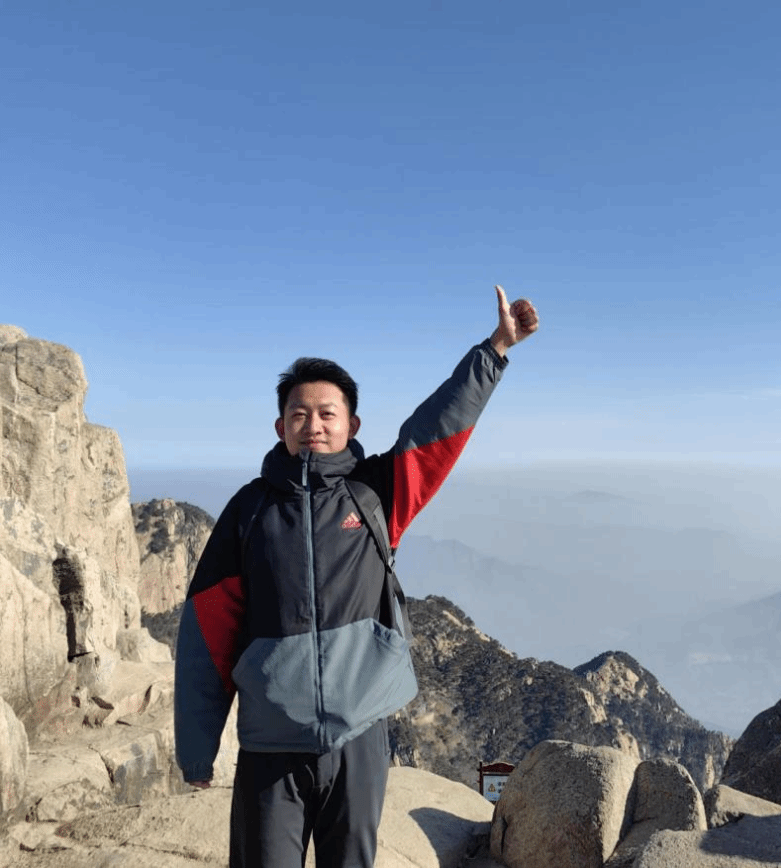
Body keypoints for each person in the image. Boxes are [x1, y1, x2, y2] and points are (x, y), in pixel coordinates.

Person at [174, 286, 539, 868]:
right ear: (280, 425)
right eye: (299, 414)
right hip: (270, 745)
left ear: (351, 423)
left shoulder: (375, 494)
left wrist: (494, 350)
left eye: (327, 414)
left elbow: (434, 430)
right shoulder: (249, 512)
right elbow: (207, 633)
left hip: (359, 738)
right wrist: (198, 749)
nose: (313, 425)